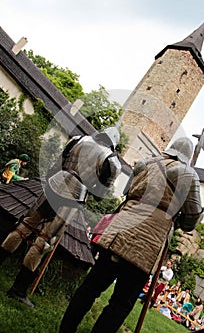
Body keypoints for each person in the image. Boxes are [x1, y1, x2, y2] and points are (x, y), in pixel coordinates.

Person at [58, 136, 204, 333]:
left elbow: (127, 192)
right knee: (120, 303)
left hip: (120, 229)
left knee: (90, 288)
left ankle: (65, 332)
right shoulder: (188, 174)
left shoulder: (146, 162)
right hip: (148, 241)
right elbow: (192, 220)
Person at [0, 127, 121, 307]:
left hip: (54, 183)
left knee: (24, 226)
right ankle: (18, 289)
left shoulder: (80, 139)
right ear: (113, 144)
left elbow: (58, 163)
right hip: (73, 195)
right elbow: (99, 194)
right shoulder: (112, 161)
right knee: (45, 240)